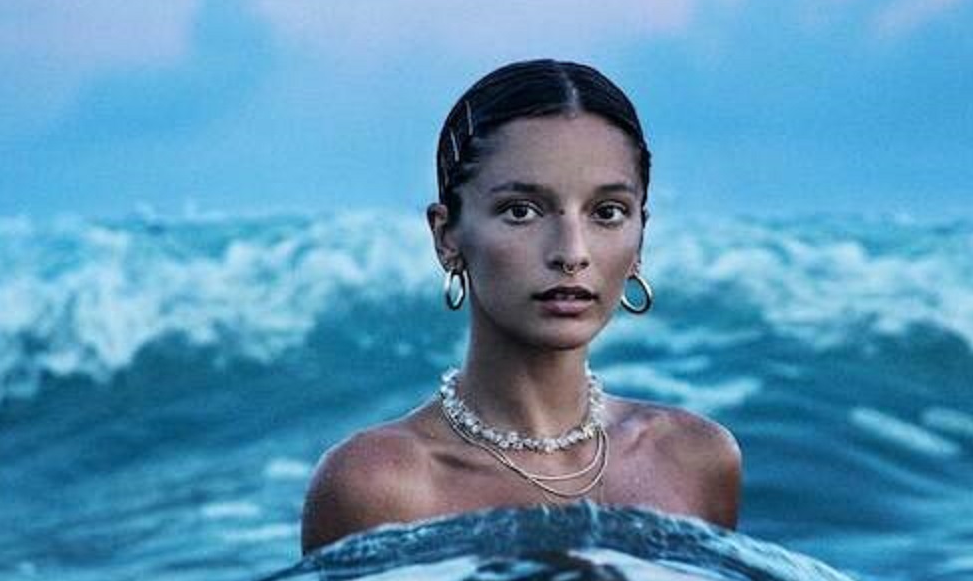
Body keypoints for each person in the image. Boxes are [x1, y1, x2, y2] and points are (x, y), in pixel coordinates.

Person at [301, 59, 742, 552]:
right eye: (521, 211)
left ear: (640, 238)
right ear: (447, 236)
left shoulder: (697, 460)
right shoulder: (377, 487)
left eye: (607, 213)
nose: (572, 252)